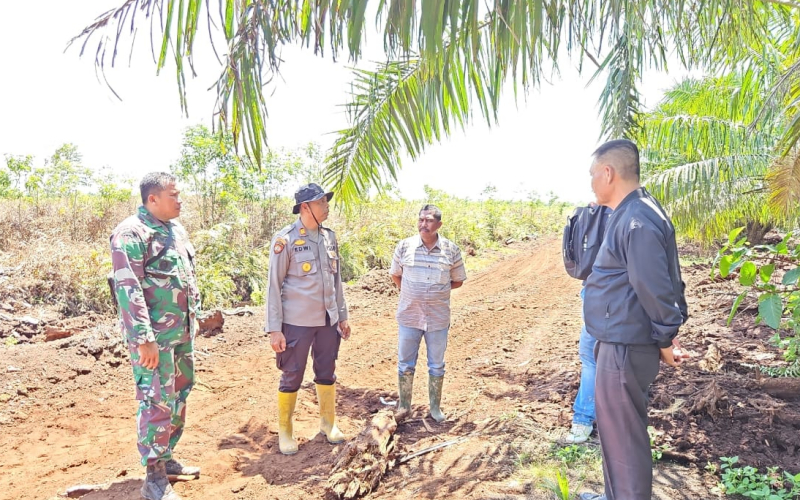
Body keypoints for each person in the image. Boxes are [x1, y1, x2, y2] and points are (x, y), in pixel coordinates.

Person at [579, 140, 689, 500]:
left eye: (593, 174)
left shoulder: (637, 219)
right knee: (616, 434)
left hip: (625, 347)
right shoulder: (633, 212)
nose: (591, 182)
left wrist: (665, 340)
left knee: (624, 441)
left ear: (608, 173)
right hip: (621, 342)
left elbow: (655, 288)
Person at [110, 172, 201, 500]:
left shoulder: (176, 230)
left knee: (179, 395)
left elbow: (185, 279)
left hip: (181, 334)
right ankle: (154, 477)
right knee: (156, 401)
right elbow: (127, 287)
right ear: (153, 199)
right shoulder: (130, 233)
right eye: (173, 196)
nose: (180, 201)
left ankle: (167, 457)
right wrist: (143, 339)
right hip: (154, 340)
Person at [265, 183, 351, 455]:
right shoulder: (285, 239)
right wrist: (274, 330)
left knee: (326, 371)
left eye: (326, 202)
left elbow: (337, 281)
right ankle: (286, 431)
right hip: (296, 323)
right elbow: (273, 286)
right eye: (321, 203)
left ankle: (328, 424)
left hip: (327, 321)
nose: (326, 207)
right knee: (292, 375)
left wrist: (342, 315)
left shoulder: (329, 237)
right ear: (305, 207)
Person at [389, 204, 467, 422]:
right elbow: (396, 276)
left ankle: (435, 408)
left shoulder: (451, 250)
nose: (424, 224)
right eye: (421, 219)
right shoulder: (404, 246)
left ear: (439, 224)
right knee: (405, 363)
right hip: (409, 315)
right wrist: (413, 292)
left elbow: (458, 280)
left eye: (429, 220)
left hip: (438, 318)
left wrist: (436, 292)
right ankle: (404, 405)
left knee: (436, 364)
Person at [565, 203, 611, 445]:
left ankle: (583, 421)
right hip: (622, 297)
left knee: (590, 358)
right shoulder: (635, 215)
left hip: (596, 293)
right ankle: (618, 423)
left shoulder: (596, 214)